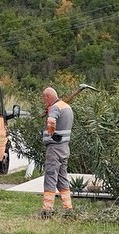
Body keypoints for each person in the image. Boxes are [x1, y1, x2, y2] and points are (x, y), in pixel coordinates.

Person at [40, 87, 74, 218]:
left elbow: (52, 121)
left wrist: (51, 132)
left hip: (54, 149)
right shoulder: (67, 107)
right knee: (62, 179)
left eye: (44, 98)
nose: (44, 101)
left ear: (48, 97)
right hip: (65, 148)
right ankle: (68, 208)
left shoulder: (55, 108)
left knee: (50, 177)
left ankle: (47, 210)